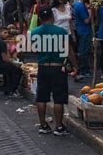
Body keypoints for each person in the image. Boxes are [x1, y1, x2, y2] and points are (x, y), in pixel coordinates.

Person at [32, 7, 77, 136]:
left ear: (40, 18)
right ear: (52, 17)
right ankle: (59, 127)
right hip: (58, 68)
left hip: (43, 67)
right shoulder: (61, 31)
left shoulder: (35, 32)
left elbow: (34, 50)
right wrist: (75, 66)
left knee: (41, 97)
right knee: (58, 98)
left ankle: (43, 125)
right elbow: (68, 51)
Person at [0, 28, 23, 98]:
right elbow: (5, 58)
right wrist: (13, 63)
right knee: (18, 70)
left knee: (10, 69)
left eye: (7, 33)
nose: (7, 34)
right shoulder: (1, 43)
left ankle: (8, 89)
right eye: (5, 33)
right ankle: (13, 90)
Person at [73, 0, 92, 78]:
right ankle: (84, 70)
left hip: (80, 29)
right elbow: (86, 21)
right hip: (84, 30)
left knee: (82, 50)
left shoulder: (76, 3)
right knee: (84, 51)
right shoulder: (80, 7)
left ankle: (83, 68)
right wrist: (91, 11)